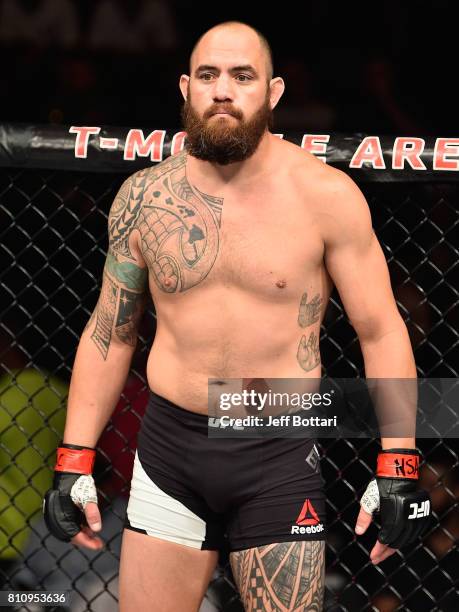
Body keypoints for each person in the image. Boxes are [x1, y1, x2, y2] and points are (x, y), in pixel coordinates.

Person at [43, 21, 431, 611]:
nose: (223, 90)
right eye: (208, 75)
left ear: (273, 92)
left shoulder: (324, 195)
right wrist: (74, 457)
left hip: (275, 450)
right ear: (186, 88)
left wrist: (398, 462)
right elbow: (110, 332)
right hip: (169, 449)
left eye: (242, 75)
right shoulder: (144, 198)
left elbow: (381, 331)